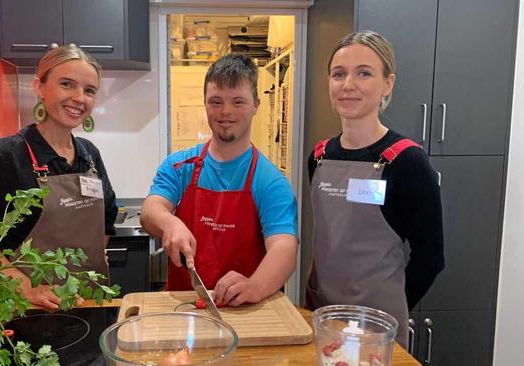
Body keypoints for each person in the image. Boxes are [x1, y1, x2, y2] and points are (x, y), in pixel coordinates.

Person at [305, 31, 444, 347]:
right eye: (339, 74)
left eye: (364, 73)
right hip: (323, 317)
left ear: (387, 84)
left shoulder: (408, 163)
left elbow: (431, 257)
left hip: (377, 331)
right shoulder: (319, 157)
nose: (348, 84)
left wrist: (390, 306)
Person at [0, 45, 117, 309]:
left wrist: (92, 257)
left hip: (85, 300)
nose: (79, 97)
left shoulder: (89, 155)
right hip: (24, 310)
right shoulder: (3, 156)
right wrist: (27, 289)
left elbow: (107, 217)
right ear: (39, 87)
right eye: (67, 84)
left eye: (89, 90)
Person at [140, 54, 298, 306]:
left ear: (256, 104)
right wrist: (169, 223)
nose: (226, 112)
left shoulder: (270, 181)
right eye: (216, 101)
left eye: (238, 101)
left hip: (244, 310)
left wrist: (254, 286)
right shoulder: (179, 165)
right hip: (184, 307)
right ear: (205, 104)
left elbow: (284, 247)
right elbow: (151, 210)